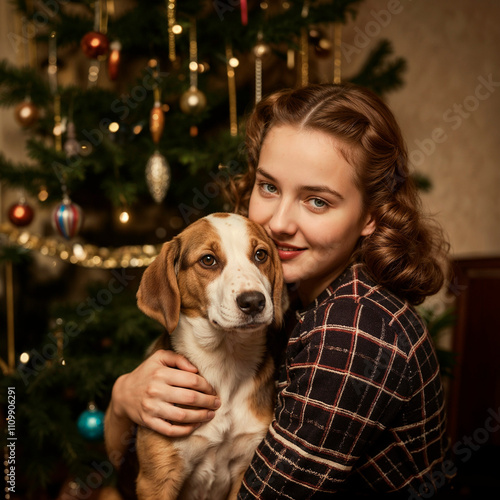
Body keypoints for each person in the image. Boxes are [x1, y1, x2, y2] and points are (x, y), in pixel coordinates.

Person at [105, 83, 453, 498]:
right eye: (268, 187)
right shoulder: (301, 304)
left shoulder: (354, 331)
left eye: (317, 201)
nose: (279, 223)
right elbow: (125, 469)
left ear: (371, 216)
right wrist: (122, 397)